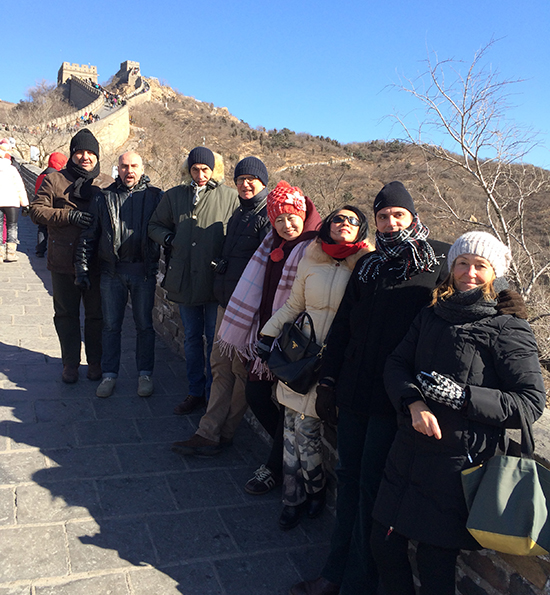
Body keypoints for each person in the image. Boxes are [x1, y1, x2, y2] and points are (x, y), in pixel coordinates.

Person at [371, 231, 545, 595]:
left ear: (495, 273)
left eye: (480, 265)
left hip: (457, 468)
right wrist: (414, 402)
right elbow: (396, 363)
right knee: (383, 546)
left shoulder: (507, 326)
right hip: (407, 452)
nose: (470, 272)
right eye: (462, 263)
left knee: (434, 567)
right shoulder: (432, 313)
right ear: (451, 267)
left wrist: (464, 397)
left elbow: (530, 402)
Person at [260, 206, 371, 530]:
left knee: (305, 430)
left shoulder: (367, 265)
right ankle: (293, 497)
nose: (344, 224)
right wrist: (267, 334)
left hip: (332, 361)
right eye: (338, 218)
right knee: (290, 426)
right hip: (300, 357)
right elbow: (295, 305)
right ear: (328, 225)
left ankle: (314, 490)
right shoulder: (312, 257)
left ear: (362, 229)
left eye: (353, 220)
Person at [217, 180, 322, 495]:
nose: (287, 225)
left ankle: (273, 468)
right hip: (266, 335)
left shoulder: (316, 247)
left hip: (298, 341)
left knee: (288, 408)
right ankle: (286, 454)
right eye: (279, 219)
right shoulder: (271, 244)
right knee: (257, 394)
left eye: (292, 217)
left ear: (303, 214)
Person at [172, 156, 271, 455]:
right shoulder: (240, 212)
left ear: (263, 182)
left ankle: (222, 432)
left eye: (251, 179)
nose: (245, 184)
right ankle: (209, 431)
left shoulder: (267, 216)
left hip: (249, 310)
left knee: (239, 371)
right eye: (240, 179)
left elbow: (269, 268)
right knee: (220, 366)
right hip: (227, 302)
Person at [148, 146, 239, 412]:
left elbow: (238, 235)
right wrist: (169, 239)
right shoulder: (174, 196)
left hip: (214, 281)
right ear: (188, 169)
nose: (200, 175)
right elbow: (154, 225)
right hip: (184, 279)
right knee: (191, 338)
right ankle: (195, 391)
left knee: (214, 340)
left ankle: (213, 396)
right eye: (196, 169)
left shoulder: (229, 197)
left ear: (214, 170)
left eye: (205, 169)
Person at [74, 151, 163, 398]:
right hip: (112, 273)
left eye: (134, 166)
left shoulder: (155, 197)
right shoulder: (104, 197)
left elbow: (168, 232)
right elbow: (89, 235)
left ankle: (145, 374)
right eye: (124, 166)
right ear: (118, 169)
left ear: (142, 168)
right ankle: (109, 374)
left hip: (143, 272)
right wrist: (82, 268)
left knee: (144, 326)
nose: (129, 171)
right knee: (111, 326)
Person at [30, 129, 113, 383]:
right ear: (72, 154)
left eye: (90, 152)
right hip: (62, 260)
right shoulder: (55, 180)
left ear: (97, 156)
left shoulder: (106, 183)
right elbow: (36, 211)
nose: (85, 157)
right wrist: (68, 215)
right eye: (80, 152)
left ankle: (95, 361)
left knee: (96, 315)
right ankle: (70, 363)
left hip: (96, 261)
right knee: (66, 315)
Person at [34, 152, 68, 257]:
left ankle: (40, 250)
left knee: (42, 228)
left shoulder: (42, 175)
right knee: (53, 230)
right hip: (54, 206)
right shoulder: (57, 177)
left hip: (42, 206)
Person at [0, 139, 29, 263]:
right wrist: (25, 204)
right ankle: (10, 253)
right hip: (12, 202)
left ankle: (0, 254)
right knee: (12, 226)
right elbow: (20, 187)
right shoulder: (12, 169)